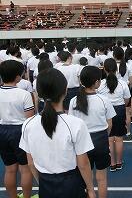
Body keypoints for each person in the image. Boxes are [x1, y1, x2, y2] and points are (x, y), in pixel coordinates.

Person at [19, 68, 96, 198]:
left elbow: (30, 162)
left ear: (39, 93)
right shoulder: (75, 124)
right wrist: (90, 190)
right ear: (65, 91)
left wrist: (42, 183)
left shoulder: (28, 124)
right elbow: (83, 164)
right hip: (71, 184)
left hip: (45, 183)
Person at [69, 66, 116, 198]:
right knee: (101, 178)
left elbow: (72, 124)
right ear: (96, 82)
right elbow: (110, 124)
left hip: (81, 144)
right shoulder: (104, 100)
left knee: (84, 178)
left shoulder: (74, 101)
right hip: (100, 140)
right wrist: (104, 136)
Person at [0, 60, 35, 198]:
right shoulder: (24, 94)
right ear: (17, 77)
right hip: (20, 131)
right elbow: (30, 118)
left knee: (9, 169)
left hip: (2, 130)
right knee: (25, 169)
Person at [97, 58, 131, 172]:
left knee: (110, 139)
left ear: (104, 69)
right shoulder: (122, 83)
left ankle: (112, 164)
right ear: (116, 69)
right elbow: (127, 99)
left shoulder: (100, 84)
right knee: (119, 138)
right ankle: (119, 162)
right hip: (119, 110)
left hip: (105, 111)